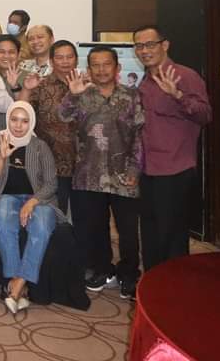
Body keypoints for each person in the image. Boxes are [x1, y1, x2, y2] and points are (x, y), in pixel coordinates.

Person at [61, 47, 144, 301]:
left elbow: (140, 135)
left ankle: (129, 274)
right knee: (95, 227)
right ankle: (102, 269)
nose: (101, 69)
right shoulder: (82, 94)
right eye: (95, 65)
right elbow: (63, 116)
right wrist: (73, 95)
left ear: (117, 67)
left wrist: (135, 168)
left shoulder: (131, 96)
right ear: (89, 69)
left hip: (123, 174)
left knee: (128, 230)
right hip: (89, 172)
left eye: (106, 64)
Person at [133, 25, 211, 272]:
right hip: (148, 169)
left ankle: (174, 284)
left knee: (172, 235)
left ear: (165, 45)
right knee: (150, 231)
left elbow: (205, 115)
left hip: (174, 168)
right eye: (139, 46)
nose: (144, 51)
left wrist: (177, 95)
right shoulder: (145, 81)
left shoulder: (184, 76)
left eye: (150, 44)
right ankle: (152, 282)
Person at [0, 101, 64, 314]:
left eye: (24, 121)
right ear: (8, 119)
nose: (18, 125)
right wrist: (2, 157)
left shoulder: (40, 146)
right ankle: (17, 283)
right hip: (6, 196)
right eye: (14, 119)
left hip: (39, 199)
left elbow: (51, 183)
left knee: (42, 227)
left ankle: (17, 284)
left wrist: (32, 202)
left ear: (31, 123)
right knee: (3, 224)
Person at [18, 39, 79, 213]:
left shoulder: (86, 85)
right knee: (55, 214)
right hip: (50, 163)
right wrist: (27, 89)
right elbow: (21, 112)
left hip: (82, 164)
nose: (65, 61)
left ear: (76, 59)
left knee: (83, 216)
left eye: (69, 57)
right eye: (60, 57)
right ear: (52, 61)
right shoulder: (41, 85)